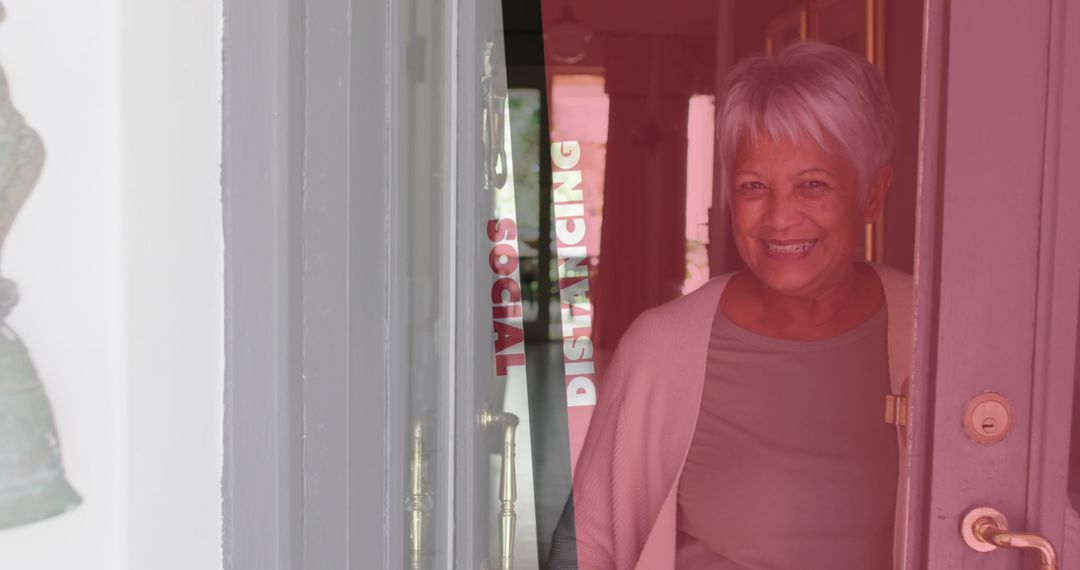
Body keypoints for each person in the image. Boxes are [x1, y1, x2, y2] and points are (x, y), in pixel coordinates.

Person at [551, 40, 910, 569]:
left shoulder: (934, 330)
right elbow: (586, 545)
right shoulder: (663, 346)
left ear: (873, 193)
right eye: (754, 185)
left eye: (813, 185)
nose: (779, 216)